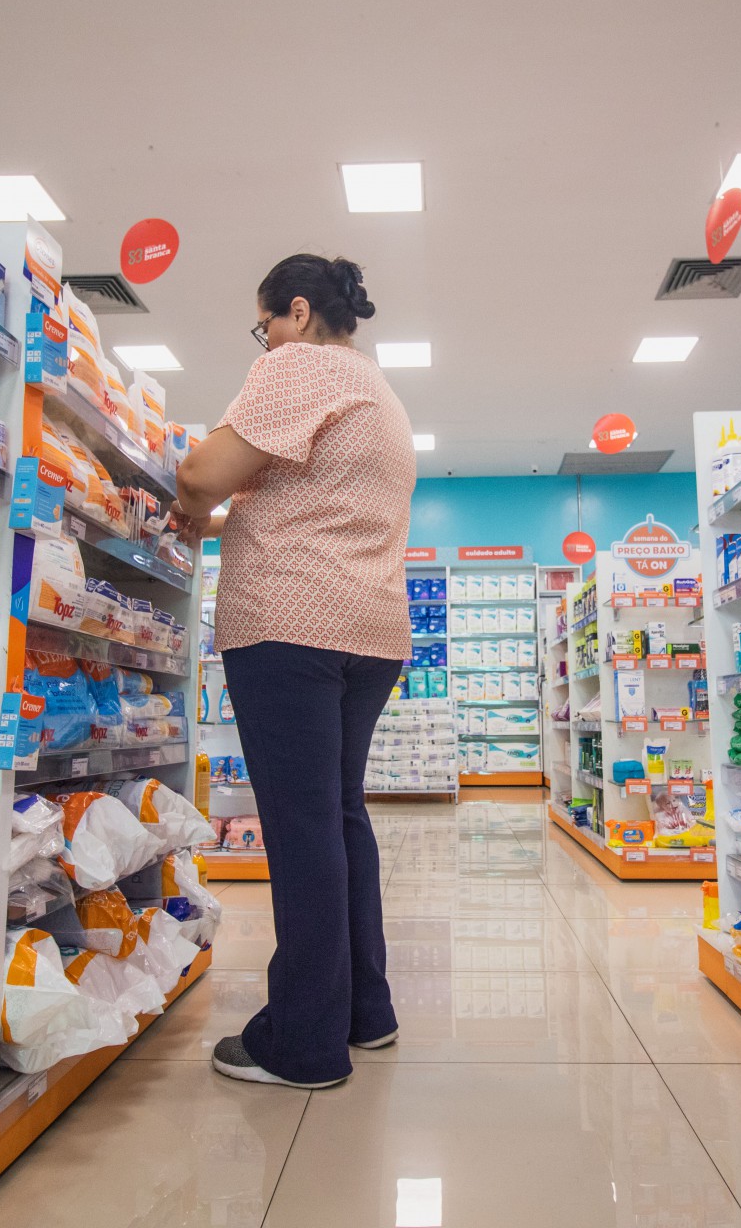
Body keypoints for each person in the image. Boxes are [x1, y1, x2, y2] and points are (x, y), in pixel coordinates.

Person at [171, 253, 417, 1089]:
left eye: (265, 323)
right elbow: (302, 494)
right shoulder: (380, 391)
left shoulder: (298, 366)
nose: (266, 340)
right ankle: (363, 1012)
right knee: (340, 817)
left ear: (299, 312)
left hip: (290, 626)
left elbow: (202, 471)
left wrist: (197, 506)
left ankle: (304, 1042)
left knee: (302, 828)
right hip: (370, 632)